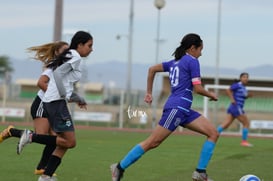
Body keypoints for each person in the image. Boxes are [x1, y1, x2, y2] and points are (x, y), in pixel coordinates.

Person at [110, 33, 219, 181]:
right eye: (200, 49)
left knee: (213, 133)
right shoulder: (192, 61)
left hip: (183, 110)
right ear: (193, 48)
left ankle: (200, 172)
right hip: (177, 108)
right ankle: (119, 167)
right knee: (153, 142)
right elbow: (198, 89)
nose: (201, 53)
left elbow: (152, 69)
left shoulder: (175, 62)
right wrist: (211, 95)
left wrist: (149, 92)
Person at [16, 30, 93, 181]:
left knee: (64, 143)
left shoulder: (70, 54)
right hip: (56, 103)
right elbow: (57, 75)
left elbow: (63, 80)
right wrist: (64, 95)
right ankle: (30, 136)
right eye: (89, 45)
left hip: (54, 102)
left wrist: (77, 98)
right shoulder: (75, 57)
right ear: (80, 44)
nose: (91, 49)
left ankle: (46, 176)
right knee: (70, 142)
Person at [0, 41, 69, 176]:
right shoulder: (53, 67)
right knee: (42, 136)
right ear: (56, 53)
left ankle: (41, 168)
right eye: (65, 50)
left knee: (56, 138)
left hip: (53, 106)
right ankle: (11, 131)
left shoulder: (64, 69)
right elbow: (40, 82)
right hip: (43, 104)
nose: (68, 53)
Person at [217, 72, 253, 147]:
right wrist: (232, 99)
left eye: (247, 77)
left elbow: (244, 97)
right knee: (246, 123)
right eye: (244, 77)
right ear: (240, 78)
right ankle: (244, 141)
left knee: (226, 125)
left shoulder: (243, 88)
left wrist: (248, 96)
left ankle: (212, 134)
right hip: (237, 107)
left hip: (234, 108)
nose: (246, 78)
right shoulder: (237, 85)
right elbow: (228, 90)